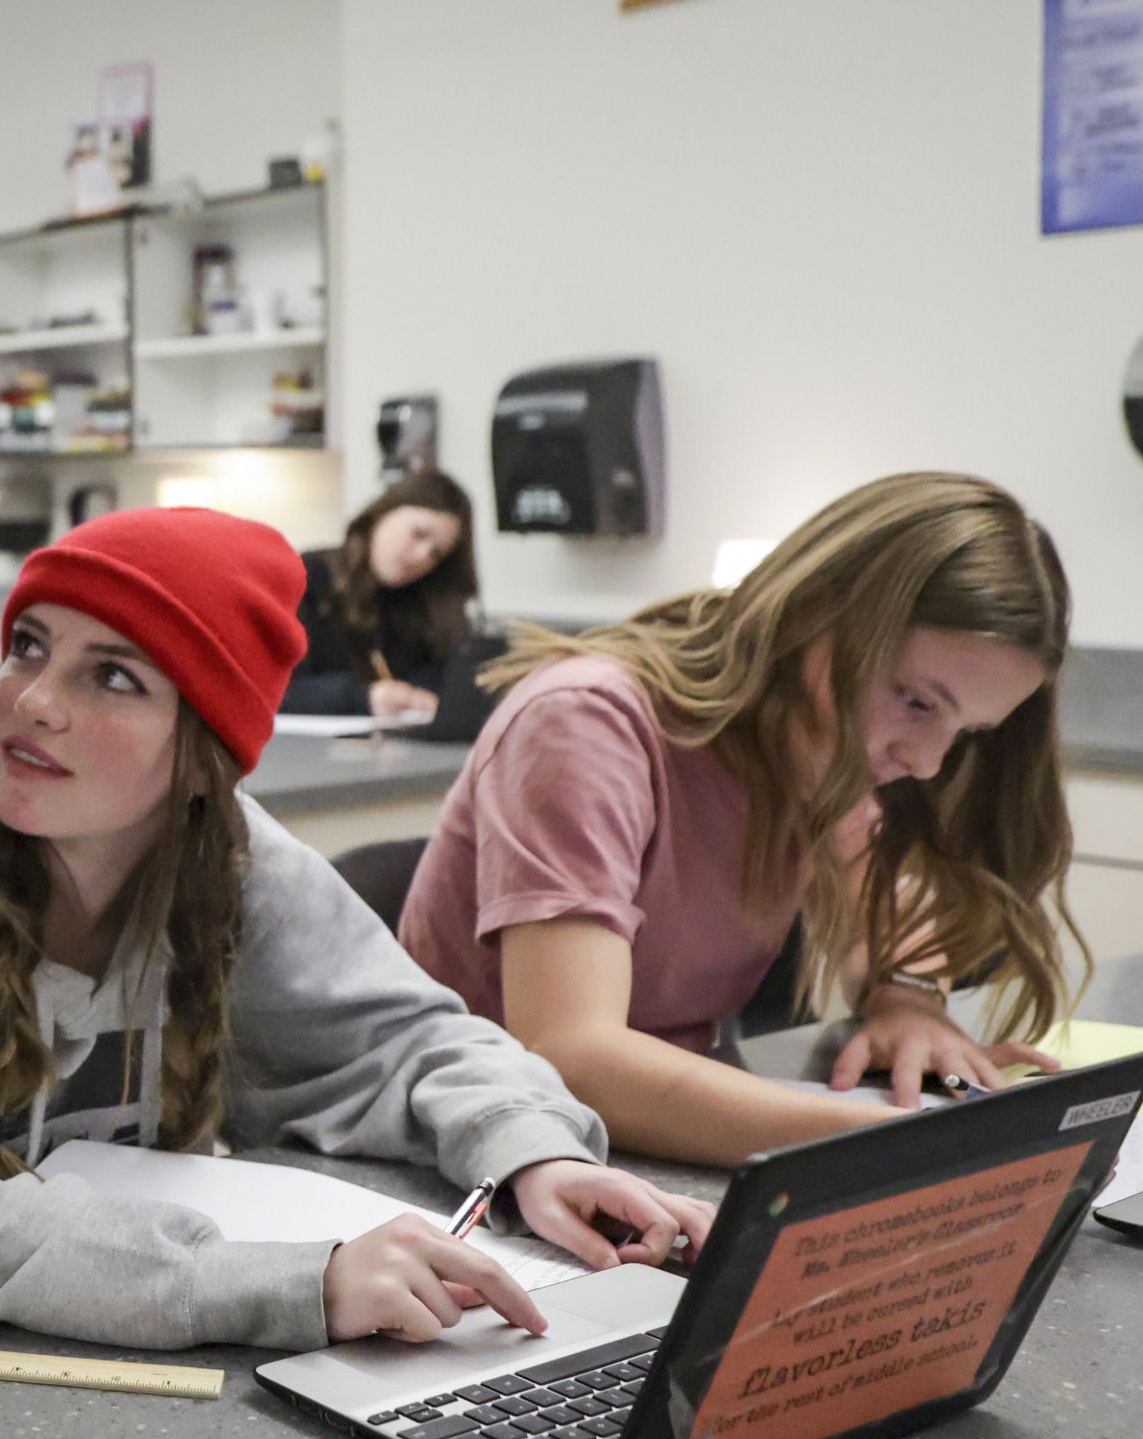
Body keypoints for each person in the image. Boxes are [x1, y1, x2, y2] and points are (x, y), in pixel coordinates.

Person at [0, 506, 710, 1352]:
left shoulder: (228, 859)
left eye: (111, 677)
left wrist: (536, 1155)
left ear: (202, 757)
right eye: (28, 644)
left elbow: (415, 1042)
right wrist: (297, 1283)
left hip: (114, 1317)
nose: (32, 702)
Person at [399, 473, 1077, 1167]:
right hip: (474, 1144)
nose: (928, 762)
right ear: (817, 615)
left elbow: (890, 916)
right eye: (917, 702)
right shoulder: (588, 721)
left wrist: (908, 1002)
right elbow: (570, 1055)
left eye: (966, 732)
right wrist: (905, 1149)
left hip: (628, 1151)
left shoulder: (812, 745)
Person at [280, 467, 479, 722]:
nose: (422, 556)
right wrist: (363, 697)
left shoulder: (424, 605)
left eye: (436, 554)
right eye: (418, 534)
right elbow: (278, 690)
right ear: (383, 515)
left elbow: (443, 679)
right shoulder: (308, 577)